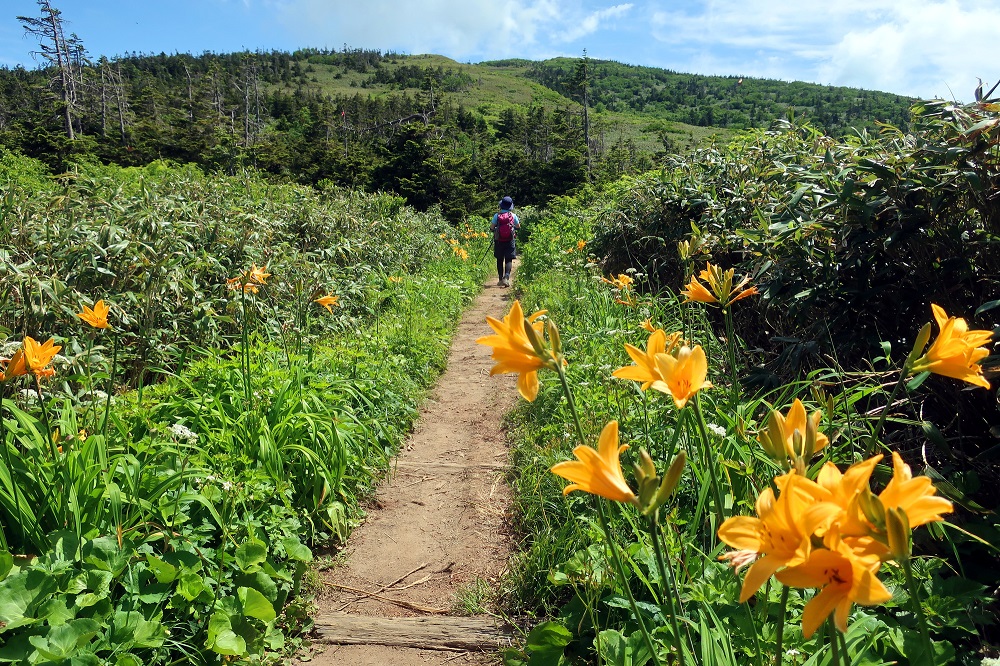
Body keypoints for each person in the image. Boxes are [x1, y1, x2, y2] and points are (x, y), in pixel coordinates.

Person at [490, 196, 520, 287]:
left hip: (499, 240)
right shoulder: (513, 216)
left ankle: (500, 279)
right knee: (508, 259)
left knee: (499, 259)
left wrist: (495, 230)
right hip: (510, 240)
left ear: (501, 205)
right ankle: (506, 277)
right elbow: (518, 226)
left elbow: (491, 227)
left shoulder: (497, 216)